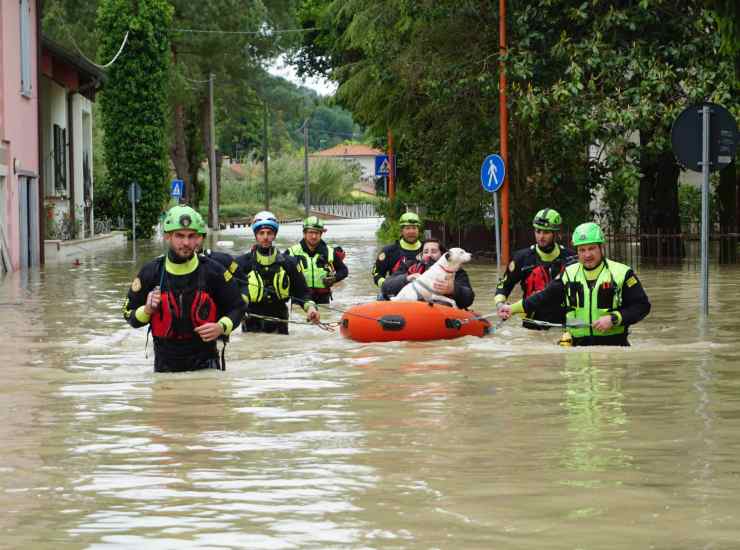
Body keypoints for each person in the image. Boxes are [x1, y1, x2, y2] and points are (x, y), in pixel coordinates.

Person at [122, 205, 246, 372]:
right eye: (179, 236)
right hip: (165, 370)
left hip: (206, 367)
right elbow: (128, 313)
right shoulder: (151, 272)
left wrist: (221, 327)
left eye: (191, 236)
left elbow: (238, 306)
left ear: (198, 238)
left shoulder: (214, 271)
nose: (186, 242)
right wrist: (147, 310)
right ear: (168, 236)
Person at [497, 222, 651, 346]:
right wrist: (512, 309)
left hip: (614, 346)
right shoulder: (569, 274)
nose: (587, 255)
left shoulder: (622, 273)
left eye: (592, 248)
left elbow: (642, 306)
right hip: (577, 347)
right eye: (582, 250)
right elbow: (543, 297)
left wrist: (615, 318)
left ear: (601, 247)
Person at [234, 211, 319, 334]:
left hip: (280, 322)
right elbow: (230, 293)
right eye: (261, 233)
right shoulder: (242, 263)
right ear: (256, 235)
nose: (265, 237)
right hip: (251, 323)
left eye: (269, 233)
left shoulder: (289, 263)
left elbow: (302, 293)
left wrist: (311, 308)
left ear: (274, 235)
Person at [495, 208, 576, 329]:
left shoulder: (570, 258)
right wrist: (500, 305)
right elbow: (504, 286)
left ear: (556, 233)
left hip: (562, 323)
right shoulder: (522, 258)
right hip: (531, 323)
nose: (541, 237)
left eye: (546, 232)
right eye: (538, 231)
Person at [381, 238, 475, 308]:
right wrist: (406, 278)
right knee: (381, 297)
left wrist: (454, 289)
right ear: (421, 254)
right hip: (407, 308)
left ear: (443, 255)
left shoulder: (457, 272)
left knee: (441, 304)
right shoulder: (409, 266)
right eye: (426, 251)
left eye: (434, 251)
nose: (429, 255)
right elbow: (385, 286)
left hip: (437, 312)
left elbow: (469, 298)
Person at [285, 216, 348, 304]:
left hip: (323, 299)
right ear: (304, 233)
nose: (314, 236)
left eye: (317, 233)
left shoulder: (330, 252)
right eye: (311, 232)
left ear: (321, 234)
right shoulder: (291, 252)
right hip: (300, 299)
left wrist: (334, 278)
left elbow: (344, 270)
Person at [372, 211, 423, 296]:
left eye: (414, 228)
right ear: (401, 231)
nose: (411, 231)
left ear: (418, 230)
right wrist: (388, 286)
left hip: (422, 294)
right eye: (407, 228)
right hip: (396, 295)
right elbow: (377, 274)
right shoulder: (389, 251)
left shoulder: (428, 249)